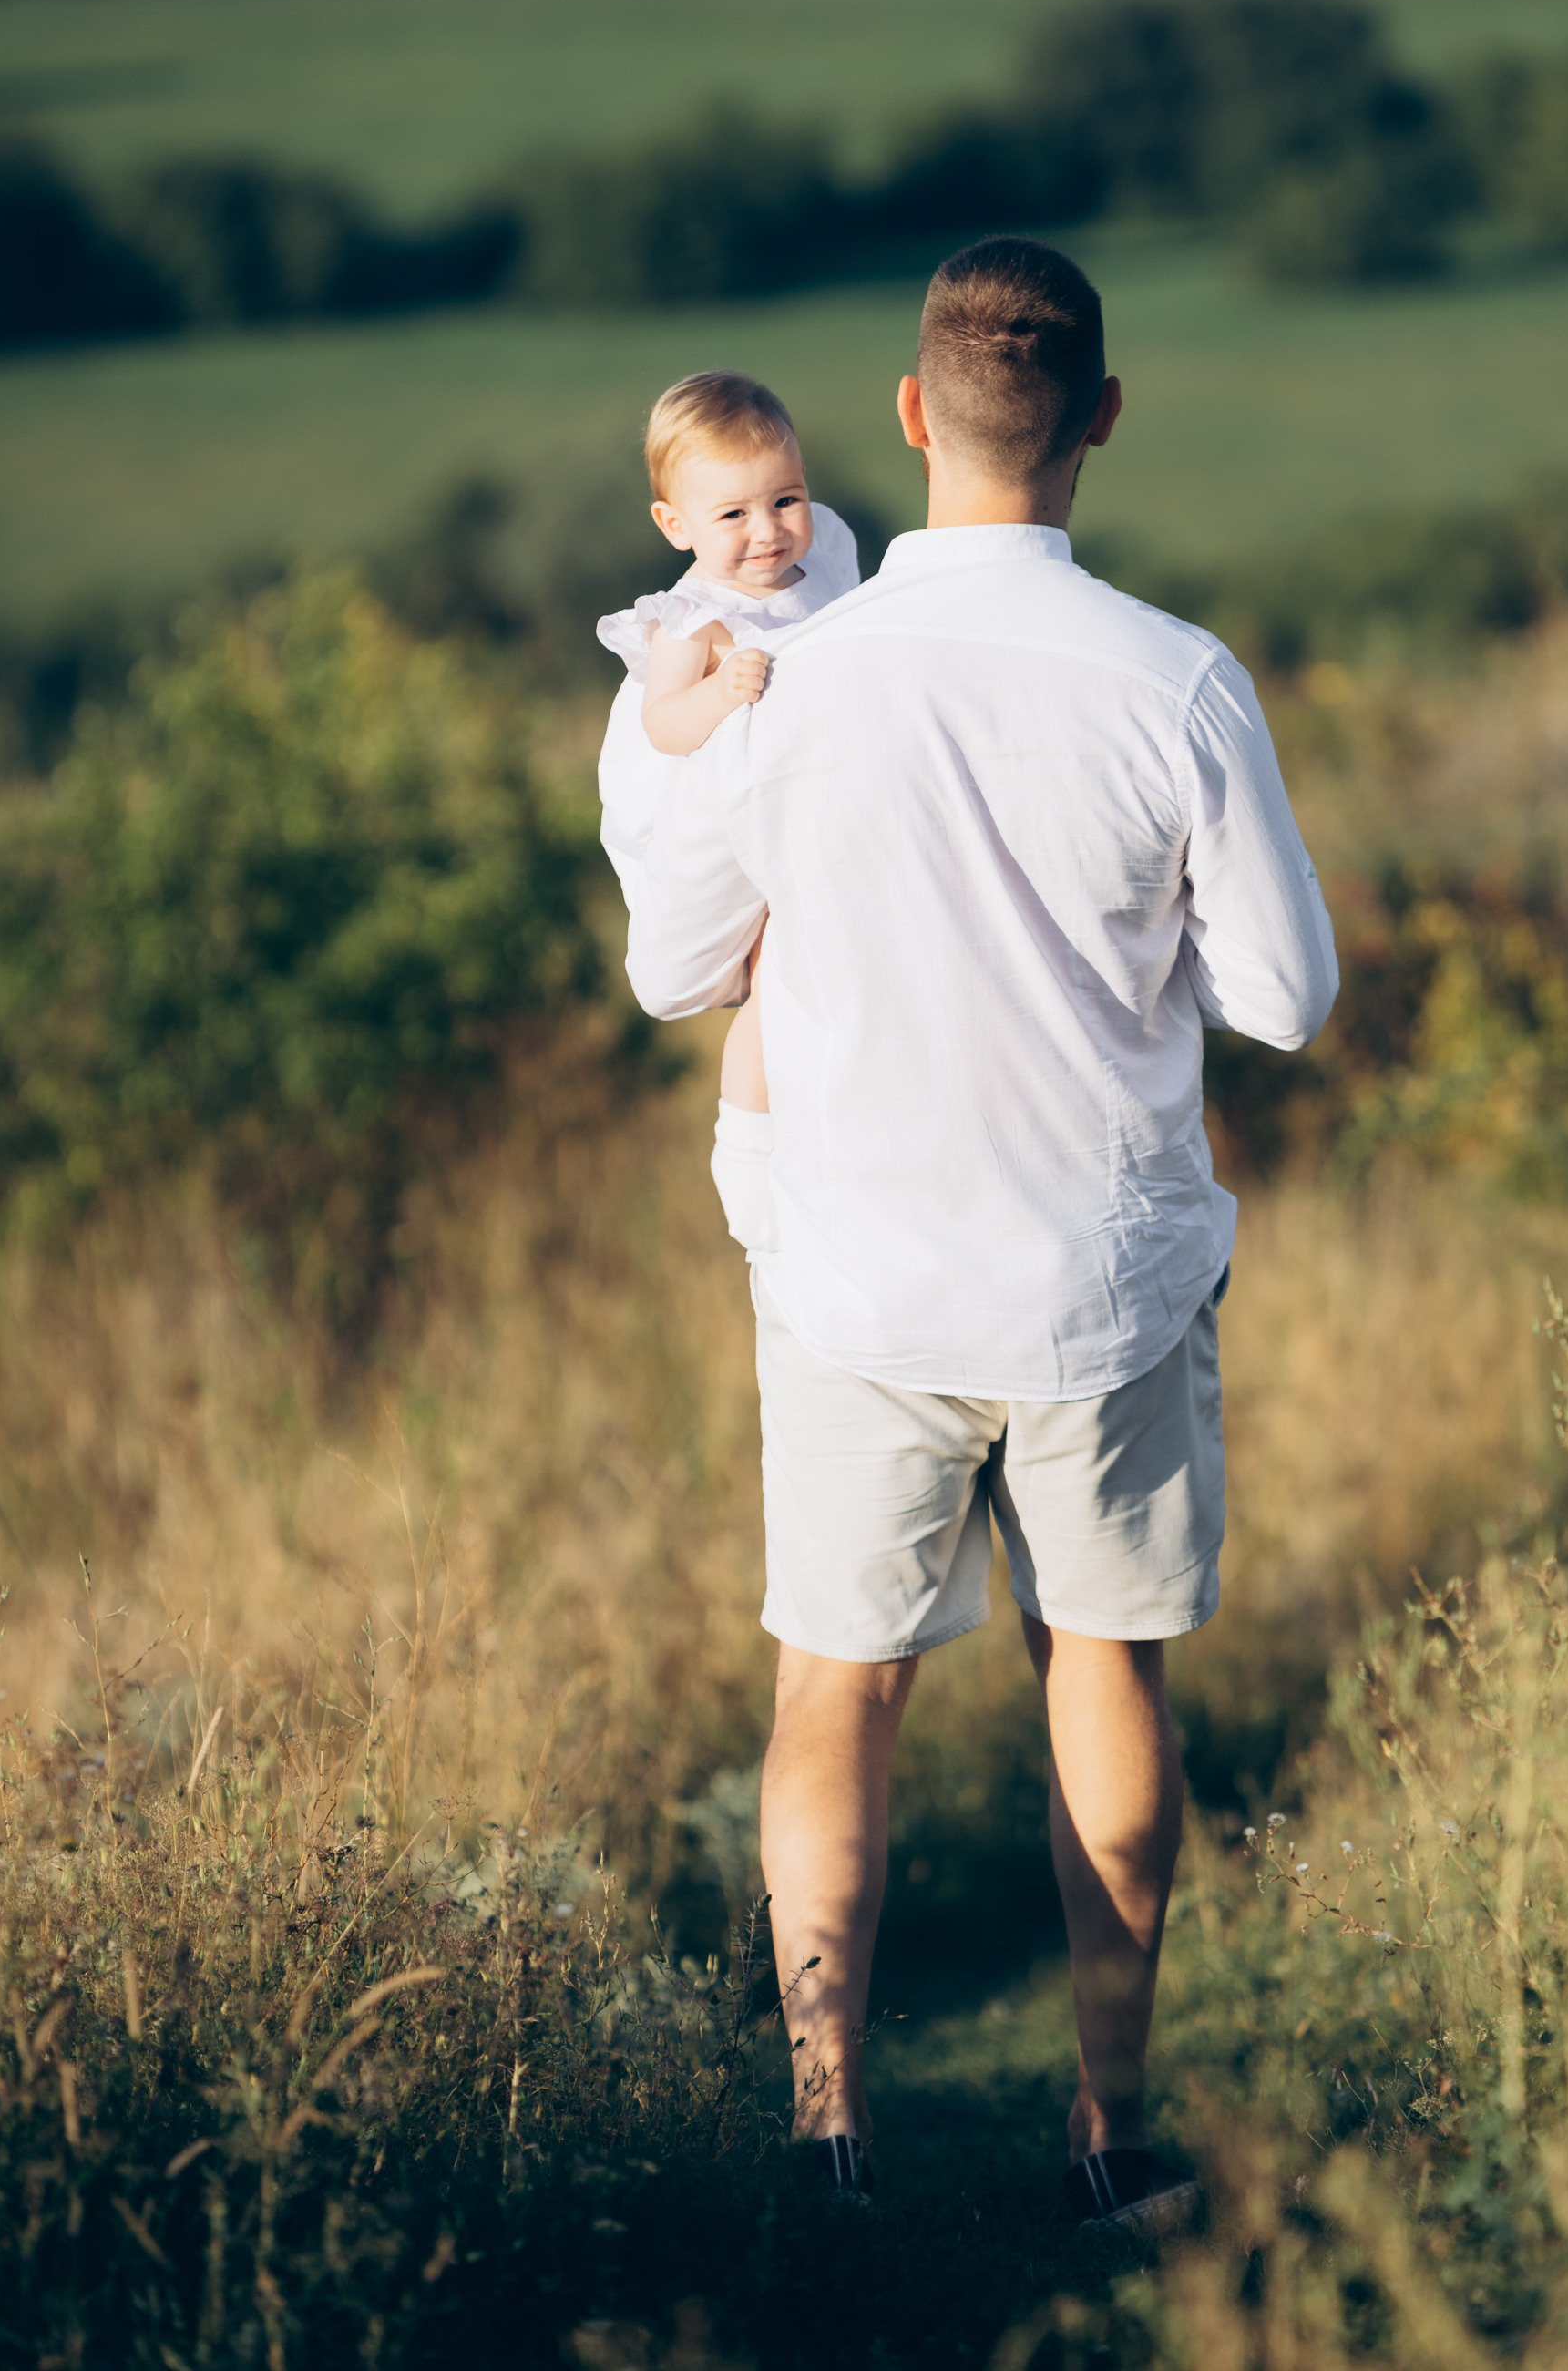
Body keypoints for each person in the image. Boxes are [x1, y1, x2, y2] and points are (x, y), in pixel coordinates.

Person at [624, 238, 1338, 2232]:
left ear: (911, 417)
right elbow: (1285, 1000)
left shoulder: (788, 677)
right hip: (1100, 1279)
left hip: (852, 1277)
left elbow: (676, 964)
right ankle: (1111, 2136)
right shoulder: (1176, 680)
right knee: (1101, 1668)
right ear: (1102, 416)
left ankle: (829, 2131)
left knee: (833, 1692)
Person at [597, 369, 858, 1250]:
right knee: (773, 980)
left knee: (822, 963)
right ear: (676, 526)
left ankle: (832, 1139)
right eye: (733, 515)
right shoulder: (695, 619)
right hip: (720, 814)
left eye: (786, 499)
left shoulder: (824, 560)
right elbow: (665, 725)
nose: (767, 531)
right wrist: (719, 693)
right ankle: (747, 1156)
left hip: (809, 796)